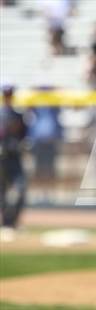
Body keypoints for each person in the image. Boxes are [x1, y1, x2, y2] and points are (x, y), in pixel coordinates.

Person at [0, 85, 27, 241]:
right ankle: (6, 224)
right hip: (2, 157)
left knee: (20, 188)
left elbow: (24, 135)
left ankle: (12, 222)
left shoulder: (18, 115)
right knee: (2, 192)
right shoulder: (2, 114)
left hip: (14, 156)